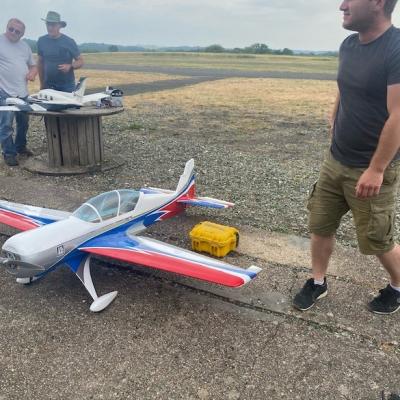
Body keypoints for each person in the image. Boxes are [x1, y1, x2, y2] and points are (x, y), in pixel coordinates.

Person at [293, 0, 400, 315]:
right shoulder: (349, 44)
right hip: (335, 160)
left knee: (377, 239)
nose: (342, 5)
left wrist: (377, 169)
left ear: (378, 3)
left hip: (370, 169)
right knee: (320, 223)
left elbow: (398, 115)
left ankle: (397, 286)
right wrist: (334, 117)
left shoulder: (395, 48)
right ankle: (317, 281)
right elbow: (344, 88)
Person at [0, 18, 37, 167]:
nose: (13, 33)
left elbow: (33, 66)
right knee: (6, 125)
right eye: (11, 29)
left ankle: (20, 147)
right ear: (7, 27)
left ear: (22, 34)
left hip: (22, 93)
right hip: (4, 92)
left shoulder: (25, 47)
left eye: (17, 31)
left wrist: (32, 73)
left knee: (24, 123)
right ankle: (9, 154)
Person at [37, 11, 84, 92]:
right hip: (48, 85)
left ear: (59, 26)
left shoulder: (69, 41)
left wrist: (70, 66)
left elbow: (81, 61)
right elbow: (40, 63)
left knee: (68, 105)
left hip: (67, 86)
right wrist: (42, 83)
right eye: (48, 24)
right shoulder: (41, 41)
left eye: (53, 25)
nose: (50, 27)